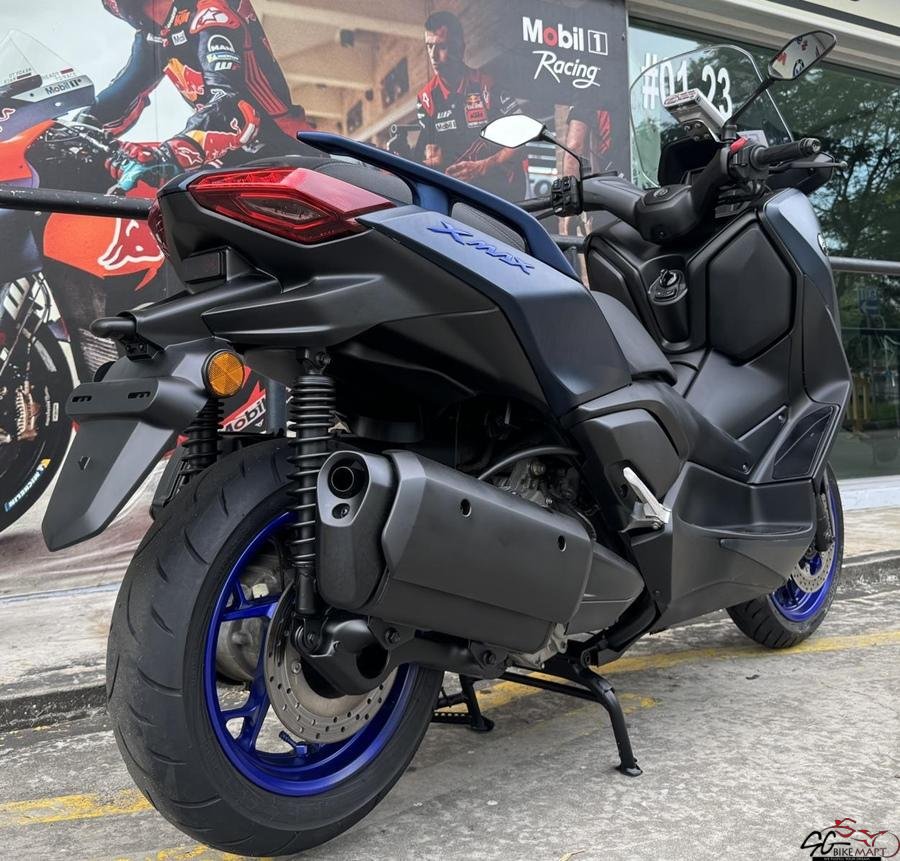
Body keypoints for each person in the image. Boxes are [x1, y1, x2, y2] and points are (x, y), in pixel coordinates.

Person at [83, 0, 313, 187]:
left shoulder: (209, 12)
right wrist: (79, 126)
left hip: (287, 154)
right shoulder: (156, 34)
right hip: (237, 156)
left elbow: (234, 107)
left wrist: (166, 155)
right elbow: (121, 93)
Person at [415, 10, 525, 198]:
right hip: (464, 197)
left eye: (442, 46)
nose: (433, 55)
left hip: (505, 193)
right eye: (429, 46)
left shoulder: (487, 85)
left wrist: (482, 166)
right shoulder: (426, 97)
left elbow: (523, 137)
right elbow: (434, 156)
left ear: (460, 49)